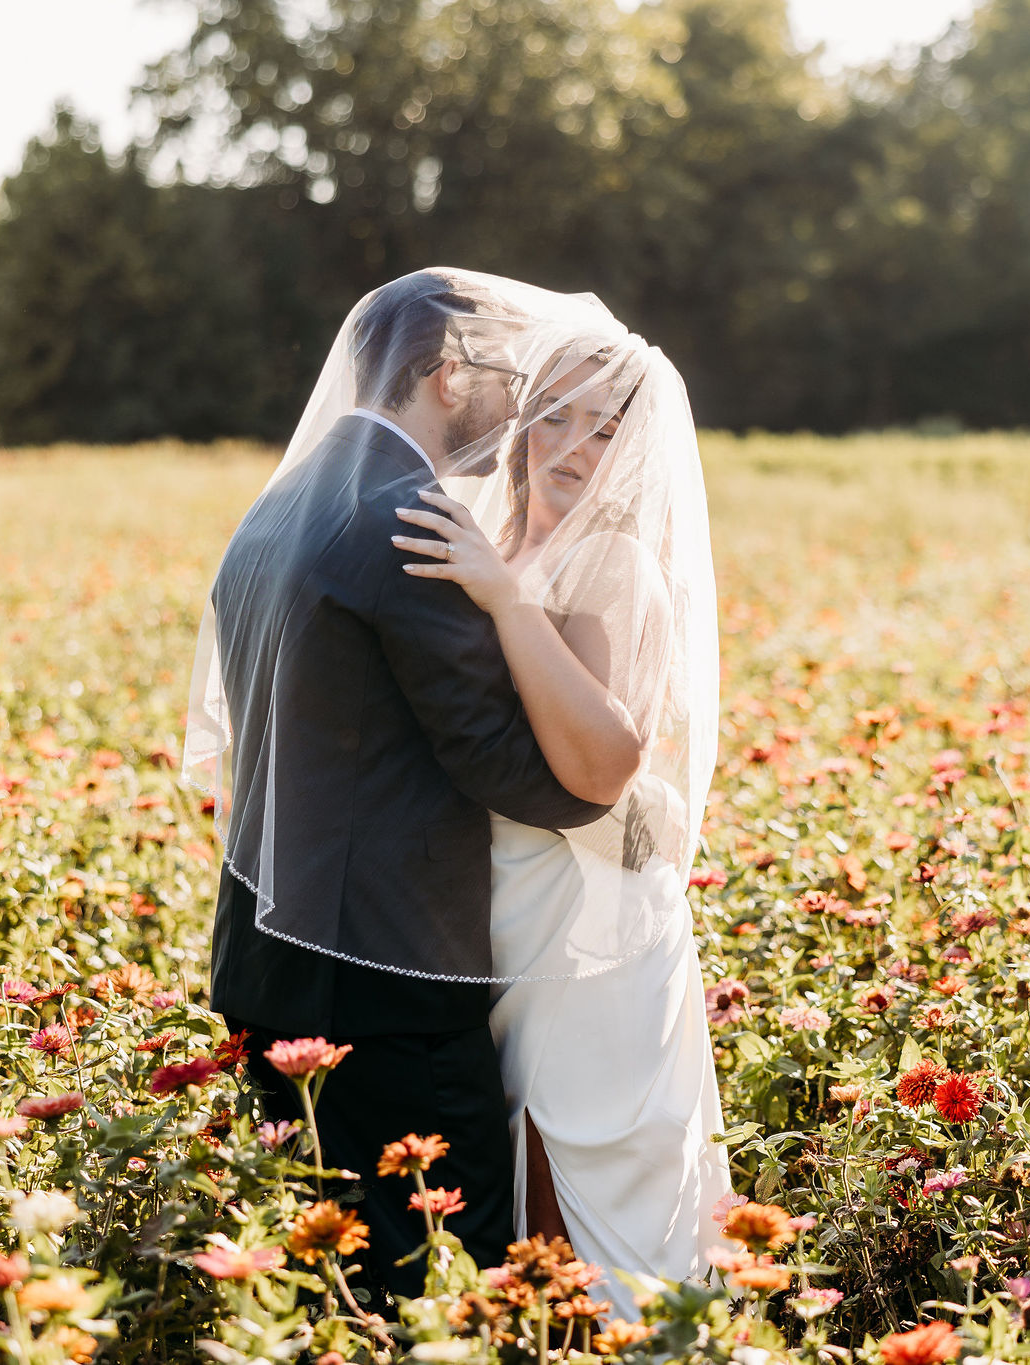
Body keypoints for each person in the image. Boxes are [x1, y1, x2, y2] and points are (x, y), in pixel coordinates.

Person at [181, 270, 617, 1300]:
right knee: (435, 1281)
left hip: (269, 954)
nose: (510, 403)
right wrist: (611, 765)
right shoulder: (404, 518)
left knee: (324, 1279)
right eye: (500, 375)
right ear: (444, 370)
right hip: (384, 985)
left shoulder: (284, 499)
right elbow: (513, 768)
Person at [386, 332, 731, 1309]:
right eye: (556, 415)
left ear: (635, 446)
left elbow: (599, 764)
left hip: (589, 927)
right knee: (519, 1170)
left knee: (587, 1187)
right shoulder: (499, 539)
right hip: (506, 911)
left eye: (604, 426)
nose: (572, 445)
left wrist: (502, 603)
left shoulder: (614, 561)